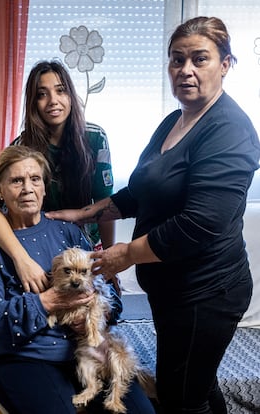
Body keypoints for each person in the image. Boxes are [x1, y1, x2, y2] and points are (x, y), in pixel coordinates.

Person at [46, 16, 260, 414]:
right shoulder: (174, 121)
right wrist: (85, 212)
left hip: (206, 293)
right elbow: (142, 190)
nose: (186, 70)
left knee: (180, 396)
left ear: (226, 64)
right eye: (177, 60)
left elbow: (199, 225)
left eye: (200, 59)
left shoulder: (230, 130)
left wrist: (123, 255)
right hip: (172, 290)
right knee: (196, 381)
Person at [0, 145, 156, 414]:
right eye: (16, 181)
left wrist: (95, 314)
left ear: (45, 187)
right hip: (24, 360)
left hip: (87, 353)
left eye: (35, 179)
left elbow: (113, 299)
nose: (27, 188)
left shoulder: (68, 232)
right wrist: (46, 302)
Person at [0, 59, 115, 294]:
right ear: (33, 102)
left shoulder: (95, 137)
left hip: (84, 246)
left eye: (60, 91)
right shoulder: (21, 145)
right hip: (40, 246)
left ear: (70, 95)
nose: (53, 101)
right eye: (42, 94)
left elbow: (106, 204)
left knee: (99, 310)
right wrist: (21, 259)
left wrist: (109, 263)